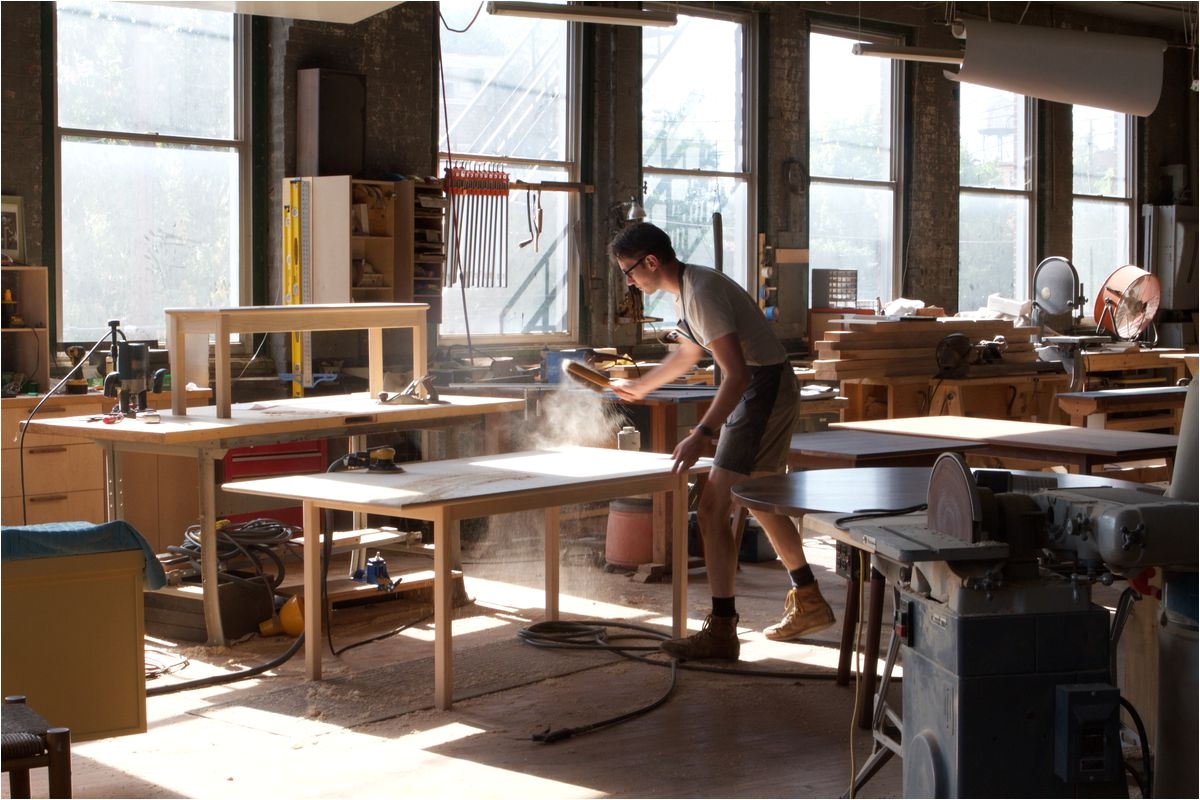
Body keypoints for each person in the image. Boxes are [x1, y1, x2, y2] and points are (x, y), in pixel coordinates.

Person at [608, 222, 835, 660]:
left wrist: (701, 433)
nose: (630, 281)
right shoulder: (688, 289)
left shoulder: (701, 292)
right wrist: (642, 387)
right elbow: (689, 353)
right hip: (765, 387)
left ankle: (723, 630)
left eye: (629, 271)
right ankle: (808, 599)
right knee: (757, 501)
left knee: (712, 508)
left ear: (650, 261)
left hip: (761, 390)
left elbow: (738, 374)